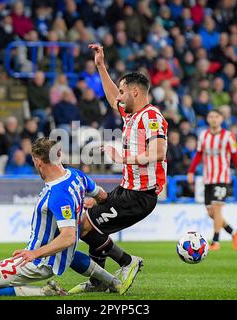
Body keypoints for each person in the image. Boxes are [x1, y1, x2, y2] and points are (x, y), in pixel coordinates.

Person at [0, 138, 128, 296]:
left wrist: (34, 253)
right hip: (63, 255)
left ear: (38, 161)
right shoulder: (76, 176)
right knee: (70, 256)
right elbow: (102, 196)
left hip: (38, 262)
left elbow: (68, 237)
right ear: (59, 155)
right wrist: (93, 201)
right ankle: (113, 282)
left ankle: (46, 291)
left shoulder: (58, 194)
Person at [69, 44, 168, 293]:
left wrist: (124, 159)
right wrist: (101, 66)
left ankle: (127, 261)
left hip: (140, 196)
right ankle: (98, 282)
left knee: (84, 226)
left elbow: (159, 152)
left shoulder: (152, 117)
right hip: (127, 190)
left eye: (123, 91)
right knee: (89, 219)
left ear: (135, 92)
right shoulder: (131, 115)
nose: (119, 96)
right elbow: (111, 96)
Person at [187, 109, 237, 251]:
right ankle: (234, 232)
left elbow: (236, 157)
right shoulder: (203, 135)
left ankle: (215, 241)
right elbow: (199, 155)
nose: (213, 119)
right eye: (211, 116)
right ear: (207, 119)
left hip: (222, 177)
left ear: (221, 119)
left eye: (216, 117)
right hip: (208, 178)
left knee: (217, 208)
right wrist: (191, 171)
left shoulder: (228, 136)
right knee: (210, 212)